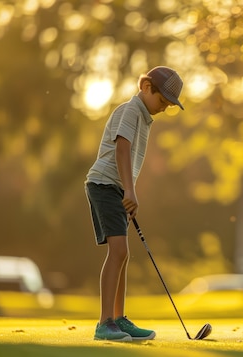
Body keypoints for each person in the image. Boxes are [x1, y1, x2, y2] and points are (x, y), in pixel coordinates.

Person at [85, 66, 185, 341]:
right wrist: (129, 190)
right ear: (146, 87)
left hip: (114, 187)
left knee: (123, 254)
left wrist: (127, 191)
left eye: (168, 104)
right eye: (163, 101)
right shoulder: (130, 110)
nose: (164, 108)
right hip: (105, 184)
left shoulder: (142, 115)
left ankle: (118, 318)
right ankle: (105, 323)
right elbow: (122, 148)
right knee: (118, 252)